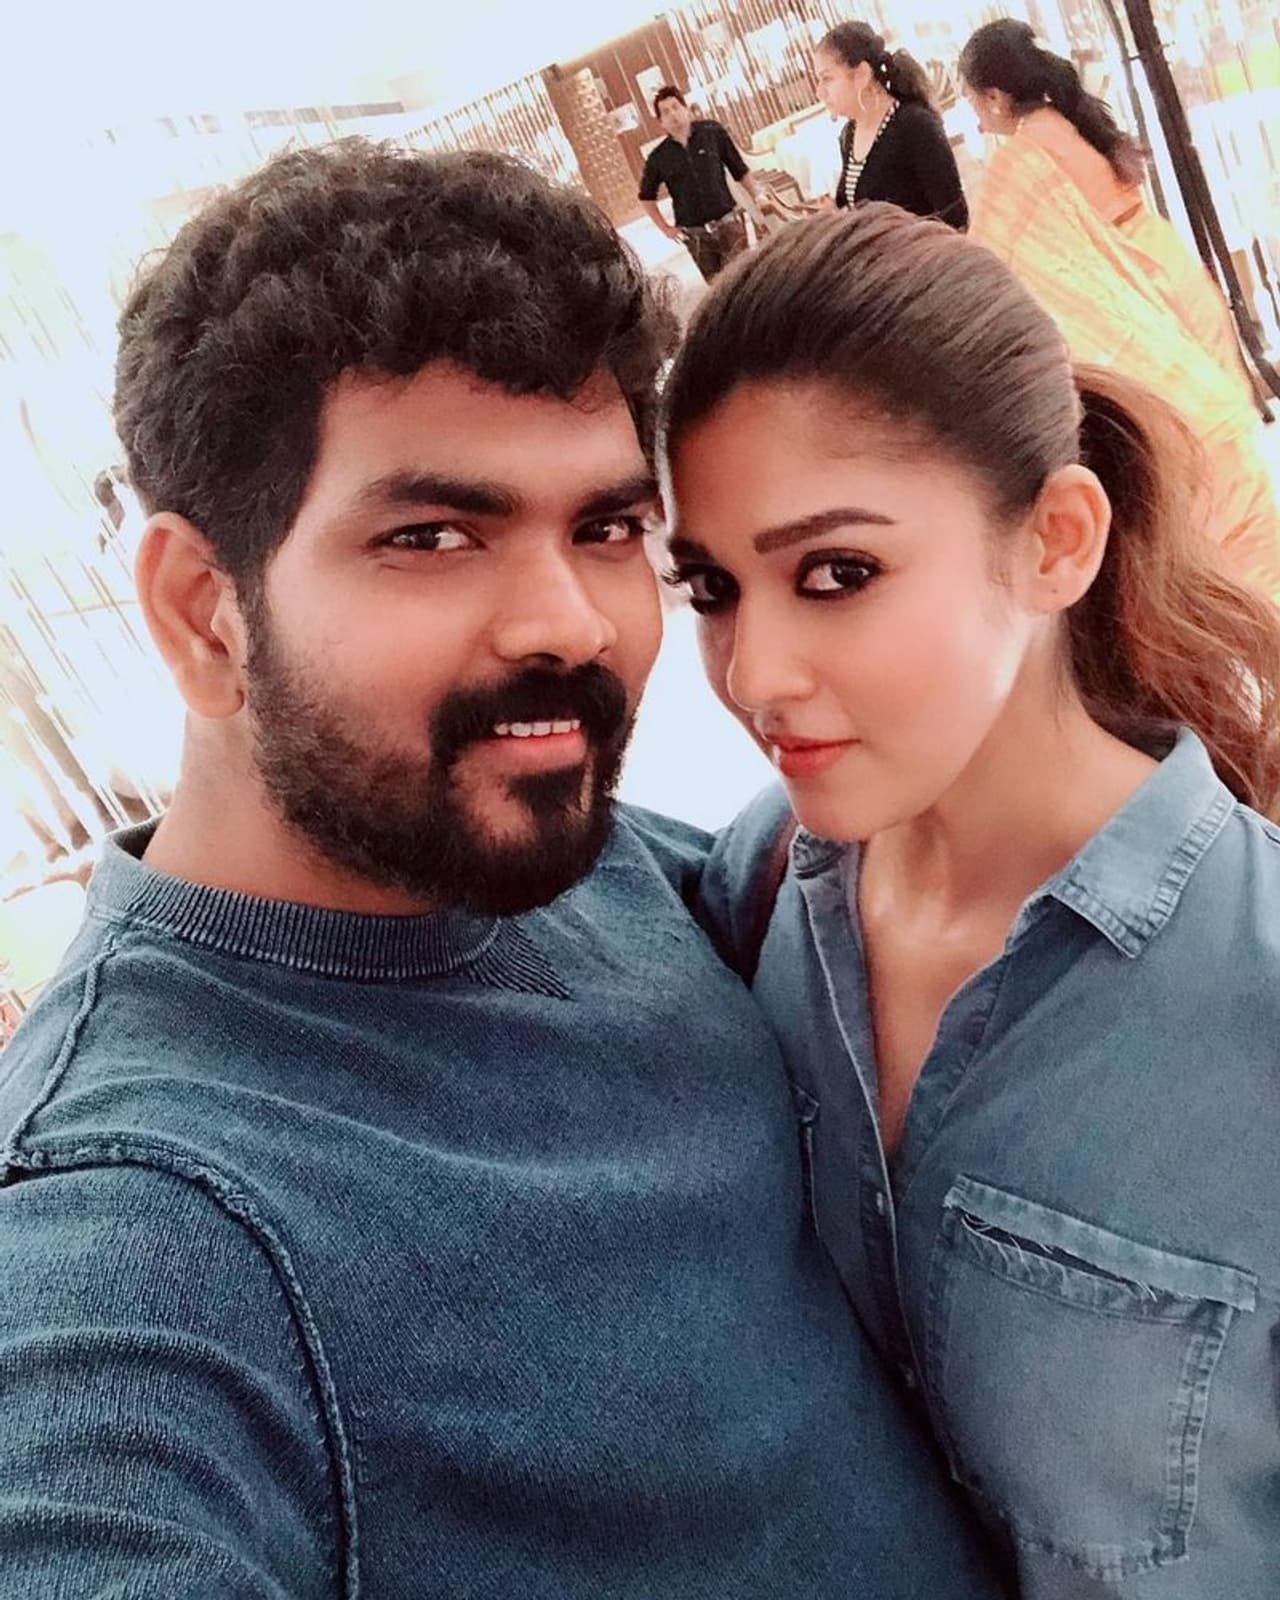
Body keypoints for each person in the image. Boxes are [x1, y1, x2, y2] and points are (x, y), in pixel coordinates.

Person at [0, 147, 1005, 1599]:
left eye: (605, 529)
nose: (570, 623)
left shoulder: (561, 862)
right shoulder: (145, 1221)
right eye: (430, 536)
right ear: (203, 612)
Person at [660, 202, 1280, 1598]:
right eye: (712, 587)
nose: (755, 674)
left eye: (837, 574)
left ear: (1055, 540)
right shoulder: (757, 895)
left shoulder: (1254, 1002)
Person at [960, 18, 1280, 599]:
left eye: (973, 100)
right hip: (1166, 271)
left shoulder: (1024, 156)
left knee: (1186, 459)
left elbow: (994, 257)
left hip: (1131, 287)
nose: (976, 116)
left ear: (996, 96)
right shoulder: (1073, 119)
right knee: (1218, 442)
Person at [812, 22, 967, 227]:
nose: (820, 92)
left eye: (827, 79)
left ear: (861, 75)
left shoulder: (915, 125)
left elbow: (954, 216)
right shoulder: (849, 135)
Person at [638, 86, 768, 281]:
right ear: (661, 122)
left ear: (686, 108)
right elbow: (646, 197)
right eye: (665, 112)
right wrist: (665, 228)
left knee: (747, 278)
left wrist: (758, 196)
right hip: (696, 236)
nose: (673, 114)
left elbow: (739, 169)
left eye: (675, 107)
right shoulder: (659, 157)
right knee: (717, 288)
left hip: (728, 223)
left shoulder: (712, 132)